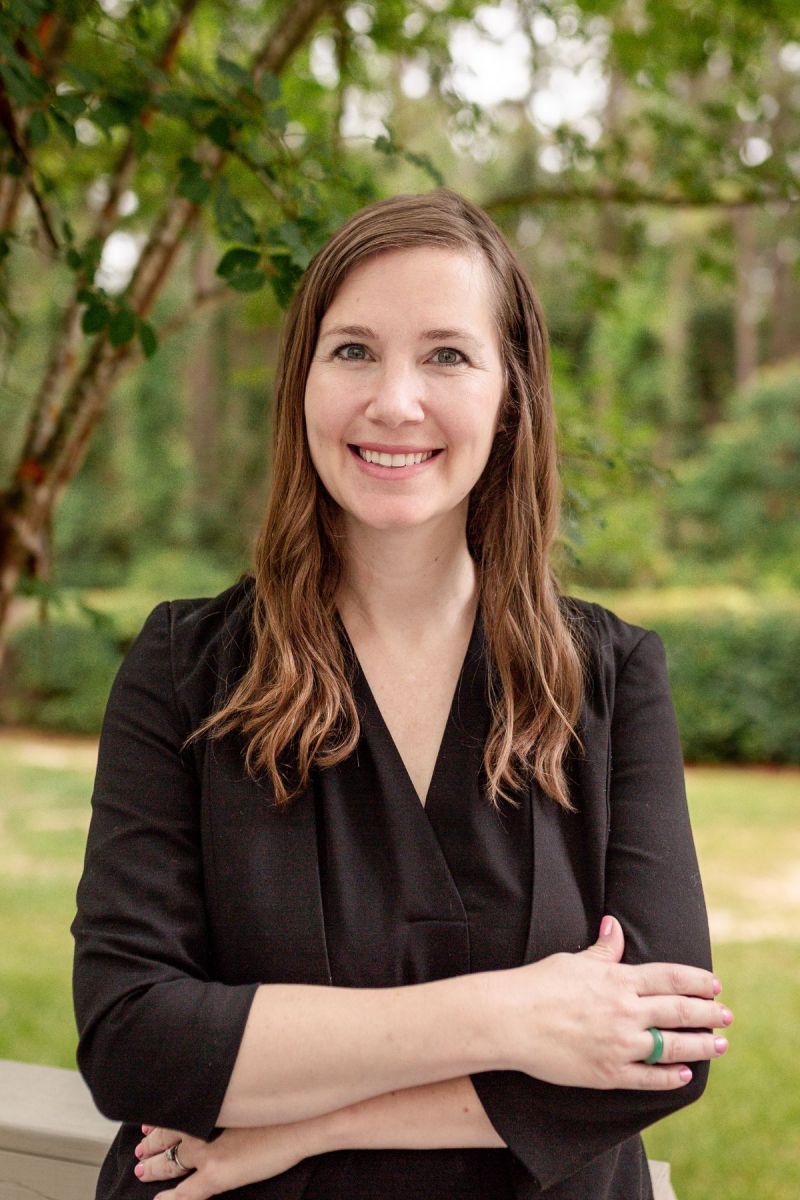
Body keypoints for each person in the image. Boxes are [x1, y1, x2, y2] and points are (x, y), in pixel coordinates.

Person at [72, 189, 731, 1200]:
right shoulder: (183, 669)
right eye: (351, 351)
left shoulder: (608, 678)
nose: (393, 401)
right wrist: (515, 1018)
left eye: (445, 354)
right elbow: (132, 1040)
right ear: (300, 384)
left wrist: (301, 1124)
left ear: (511, 392)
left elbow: (658, 1042)